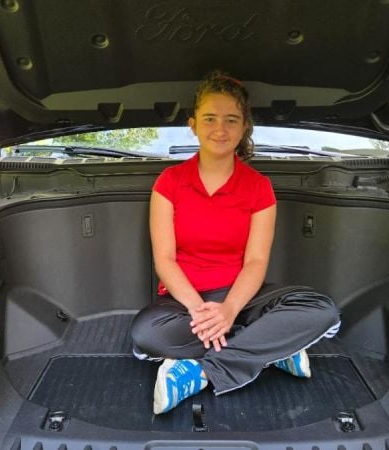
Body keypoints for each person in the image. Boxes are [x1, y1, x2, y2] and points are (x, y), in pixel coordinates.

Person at [130, 71, 341, 415]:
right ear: (193, 124)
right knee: (146, 334)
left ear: (244, 128)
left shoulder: (259, 188)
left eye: (231, 120)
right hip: (185, 302)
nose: (220, 129)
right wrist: (200, 310)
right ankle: (272, 347)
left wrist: (228, 310)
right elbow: (164, 260)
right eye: (209, 119)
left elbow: (256, 262)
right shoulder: (169, 183)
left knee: (321, 308)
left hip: (243, 297)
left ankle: (202, 372)